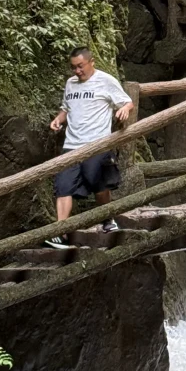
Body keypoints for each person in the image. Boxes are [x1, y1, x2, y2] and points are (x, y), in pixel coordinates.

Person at [46, 47, 134, 245]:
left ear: (91, 62)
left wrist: (125, 110)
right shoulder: (70, 83)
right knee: (63, 187)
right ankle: (61, 233)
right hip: (71, 145)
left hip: (97, 144)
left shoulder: (106, 80)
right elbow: (66, 108)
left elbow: (127, 102)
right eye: (73, 67)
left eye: (80, 66)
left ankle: (107, 220)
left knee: (99, 186)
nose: (77, 71)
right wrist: (58, 119)